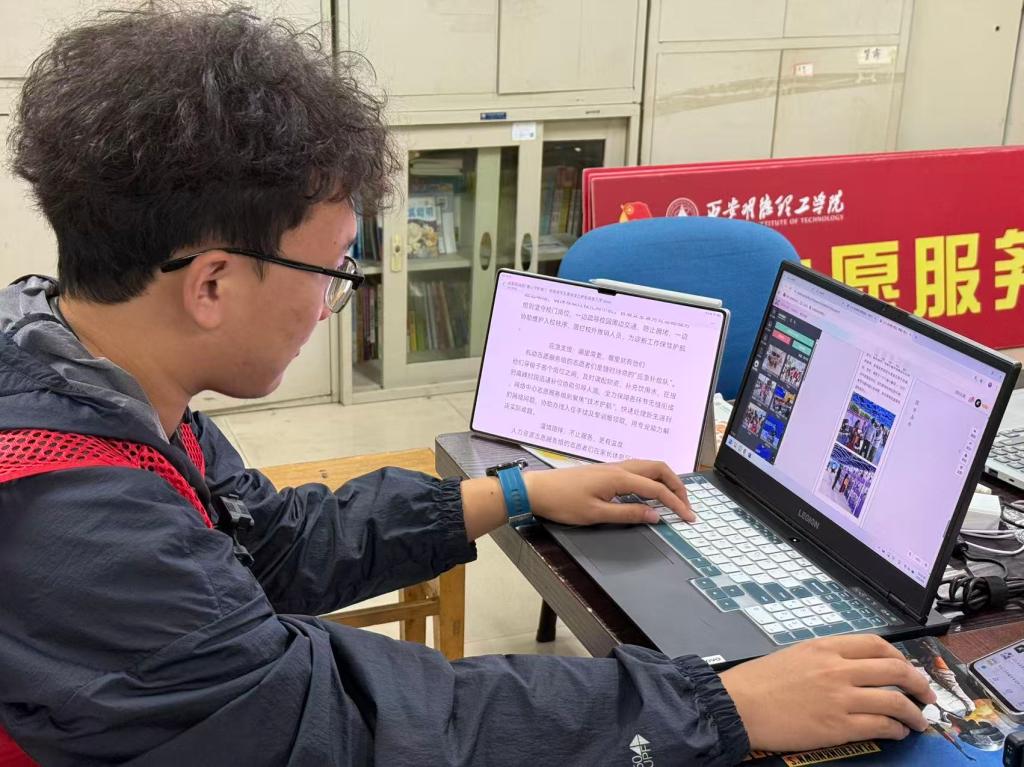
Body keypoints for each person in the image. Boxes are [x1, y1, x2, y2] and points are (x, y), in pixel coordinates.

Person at [0, 7, 936, 765]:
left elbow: (270, 543)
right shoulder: (80, 520)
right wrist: (719, 703)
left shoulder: (82, 374)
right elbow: (344, 728)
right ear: (211, 284)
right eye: (332, 272)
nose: (332, 303)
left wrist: (515, 491)